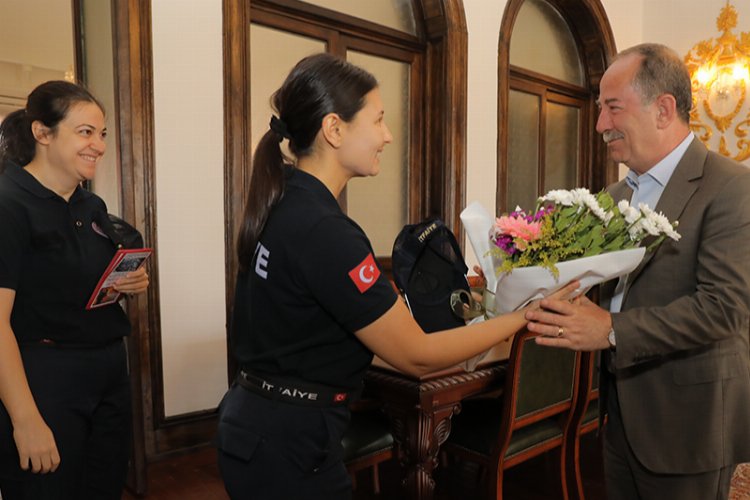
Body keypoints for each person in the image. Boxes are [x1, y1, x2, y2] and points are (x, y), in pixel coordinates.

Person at [216, 53, 579, 500]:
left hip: (258, 427)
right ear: (334, 129)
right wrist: (526, 315)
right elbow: (418, 356)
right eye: (379, 120)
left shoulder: (286, 203)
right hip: (288, 444)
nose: (387, 136)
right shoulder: (325, 229)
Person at [525, 43, 750, 500]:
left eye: (612, 109)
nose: (600, 125)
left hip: (688, 421)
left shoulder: (731, 187)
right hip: (619, 413)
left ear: (663, 109)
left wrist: (611, 330)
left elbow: (725, 308)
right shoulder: (613, 195)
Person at [0, 81, 150, 499]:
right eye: (85, 132)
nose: (98, 146)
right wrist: (26, 419)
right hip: (43, 378)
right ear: (42, 133)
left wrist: (128, 283)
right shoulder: (9, 205)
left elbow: (80, 282)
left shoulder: (90, 205)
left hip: (106, 372)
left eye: (102, 134)